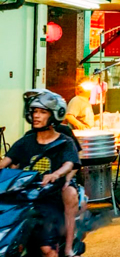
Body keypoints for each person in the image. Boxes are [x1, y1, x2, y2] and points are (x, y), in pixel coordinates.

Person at [0, 90, 80, 257]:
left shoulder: (65, 142)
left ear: (54, 115)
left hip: (50, 198)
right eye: (35, 111)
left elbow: (69, 163)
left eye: (42, 112)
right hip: (24, 196)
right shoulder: (25, 141)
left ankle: (68, 249)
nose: (36, 116)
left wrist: (56, 174)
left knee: (47, 250)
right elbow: (5, 162)